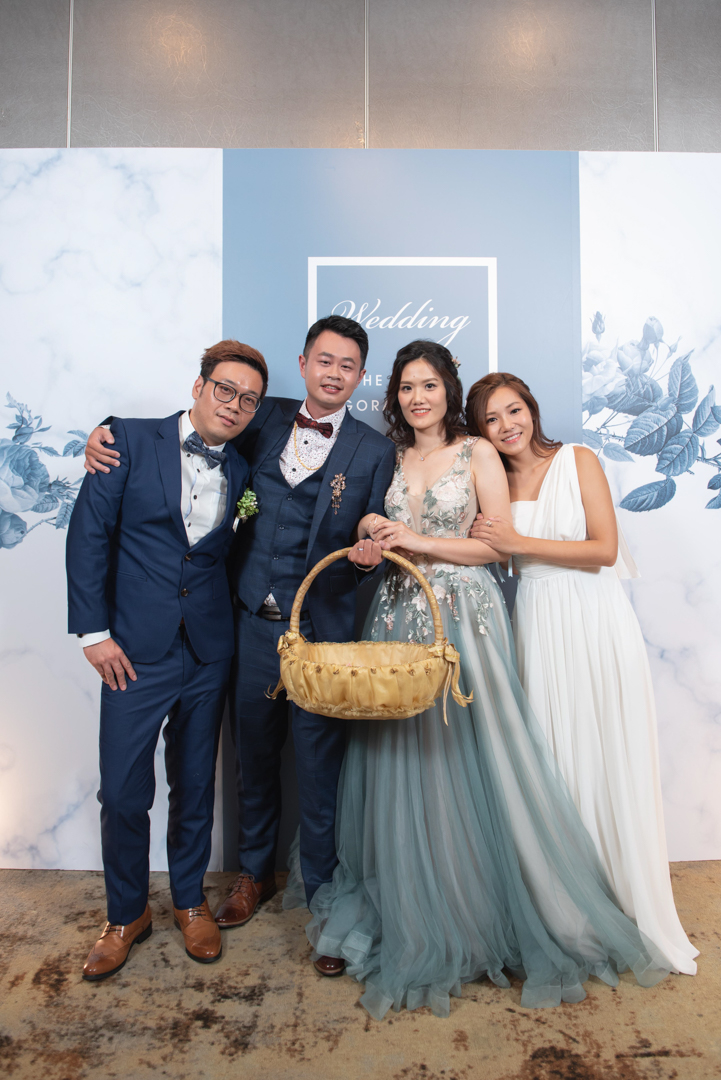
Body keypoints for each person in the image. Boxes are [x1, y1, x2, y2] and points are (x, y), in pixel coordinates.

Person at [298, 340, 670, 1021]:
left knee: (471, 758)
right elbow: (375, 528)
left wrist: (420, 541)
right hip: (397, 615)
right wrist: (375, 530)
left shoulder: (477, 452)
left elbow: (494, 546)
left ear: (448, 390)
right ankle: (414, 902)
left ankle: (476, 913)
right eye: (406, 387)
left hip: (465, 617)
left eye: (429, 385)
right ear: (395, 396)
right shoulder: (390, 456)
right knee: (403, 764)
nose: (417, 397)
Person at [82, 315, 395, 976]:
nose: (334, 373)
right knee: (251, 761)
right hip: (245, 625)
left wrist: (369, 553)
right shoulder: (260, 414)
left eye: (348, 366)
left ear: (361, 377)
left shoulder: (374, 450)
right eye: (324, 360)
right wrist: (103, 435)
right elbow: (179, 432)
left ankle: (322, 899)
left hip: (322, 635)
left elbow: (371, 532)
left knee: (318, 769)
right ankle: (252, 877)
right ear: (304, 364)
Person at [466, 372, 698, 977]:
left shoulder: (579, 459)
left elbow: (603, 550)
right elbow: (491, 552)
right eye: (491, 419)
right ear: (480, 431)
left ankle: (629, 903)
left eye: (514, 410)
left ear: (532, 409)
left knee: (611, 755)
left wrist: (518, 540)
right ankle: (573, 908)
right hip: (538, 623)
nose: (507, 425)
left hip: (598, 620)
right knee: (558, 762)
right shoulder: (492, 482)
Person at [67, 340, 266, 980]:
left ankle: (188, 901)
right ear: (198, 387)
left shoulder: (243, 471)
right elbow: (89, 535)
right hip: (131, 651)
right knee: (124, 791)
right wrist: (93, 633)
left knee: (195, 784)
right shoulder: (125, 439)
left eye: (249, 400)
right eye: (225, 389)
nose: (234, 405)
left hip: (208, 649)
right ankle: (125, 915)